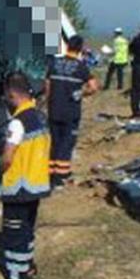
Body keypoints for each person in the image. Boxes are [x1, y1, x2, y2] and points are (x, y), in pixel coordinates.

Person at [0, 73, 51, 279]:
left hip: (18, 188)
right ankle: (28, 267)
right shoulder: (39, 116)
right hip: (35, 186)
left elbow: (8, 157)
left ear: (11, 95)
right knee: (27, 231)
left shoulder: (17, 123)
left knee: (14, 235)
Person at [44, 35, 98, 187]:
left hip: (54, 109)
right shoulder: (81, 67)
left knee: (54, 142)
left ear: (67, 46)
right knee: (66, 143)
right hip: (71, 112)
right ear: (80, 49)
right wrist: (81, 93)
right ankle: (61, 176)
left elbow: (47, 85)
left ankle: (51, 173)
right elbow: (93, 86)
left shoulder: (54, 63)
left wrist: (49, 102)